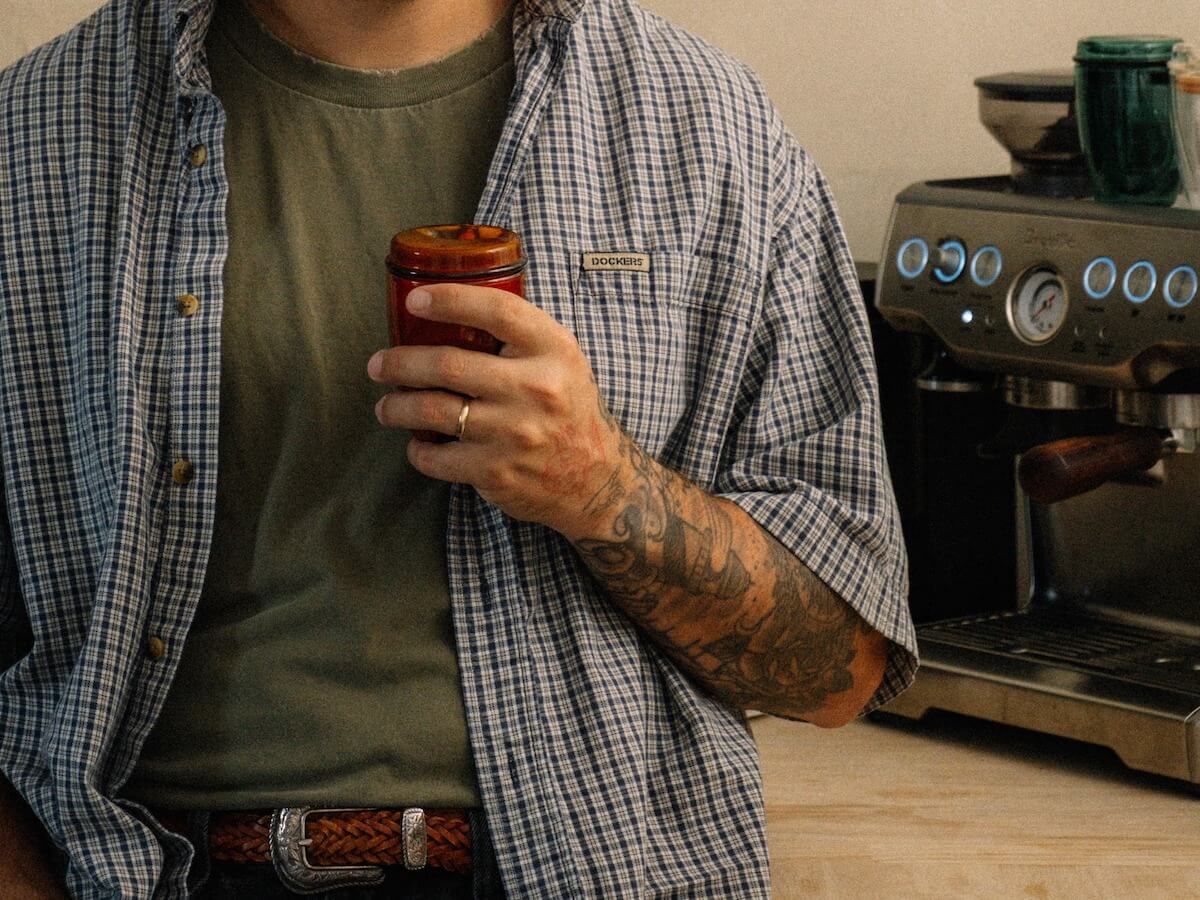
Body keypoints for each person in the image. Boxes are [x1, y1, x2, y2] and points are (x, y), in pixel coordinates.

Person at [0, 0, 918, 896]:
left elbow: (839, 671)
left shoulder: (713, 130)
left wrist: (599, 485)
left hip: (589, 871)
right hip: (149, 865)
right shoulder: (33, 133)